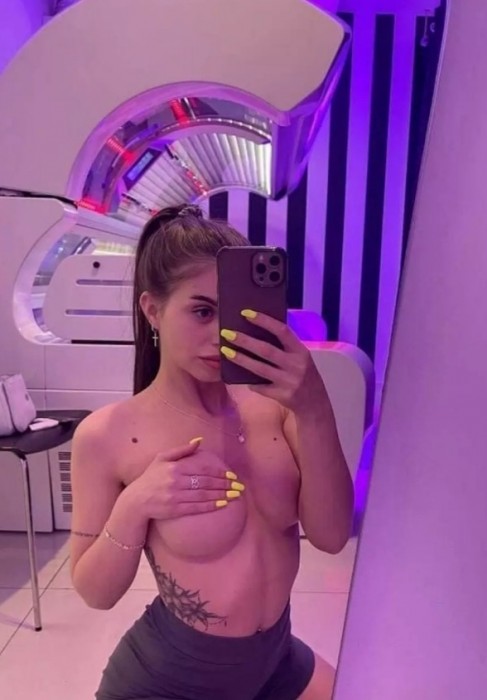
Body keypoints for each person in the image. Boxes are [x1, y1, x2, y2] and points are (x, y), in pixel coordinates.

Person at [69, 204, 354, 700]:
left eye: (235, 312)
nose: (222, 335)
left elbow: (331, 537)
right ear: (152, 310)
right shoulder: (108, 435)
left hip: (275, 662)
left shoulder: (278, 409)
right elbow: (96, 593)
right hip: (173, 681)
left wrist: (314, 406)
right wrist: (135, 505)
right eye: (202, 311)